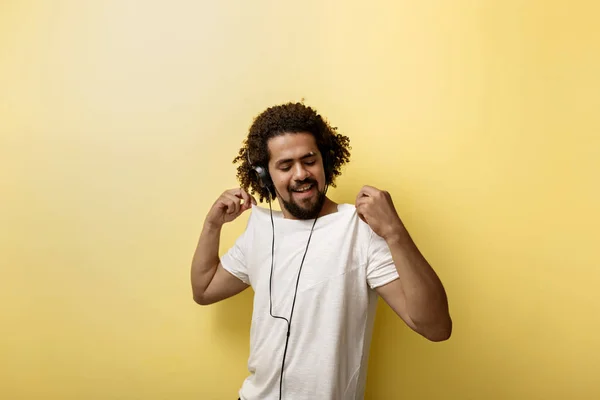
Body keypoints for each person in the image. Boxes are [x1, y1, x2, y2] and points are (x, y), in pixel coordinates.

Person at [191, 102, 452, 400]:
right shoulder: (260, 229)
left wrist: (395, 232)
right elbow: (204, 289)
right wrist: (212, 225)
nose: (300, 174)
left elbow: (436, 327)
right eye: (285, 166)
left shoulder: (359, 229)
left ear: (325, 161)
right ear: (265, 176)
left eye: (309, 160)